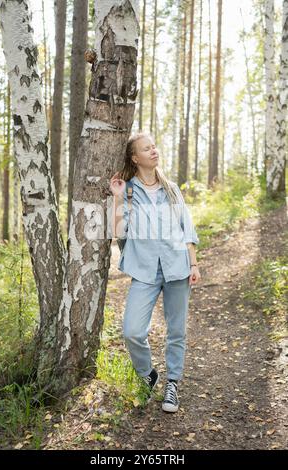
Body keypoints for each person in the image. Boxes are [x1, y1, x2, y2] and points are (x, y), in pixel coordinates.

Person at [109, 132, 201, 413]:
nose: (153, 151)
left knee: (176, 331)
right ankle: (148, 374)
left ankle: (172, 383)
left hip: (177, 266)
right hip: (145, 270)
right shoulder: (128, 191)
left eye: (154, 147)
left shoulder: (171, 188)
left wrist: (194, 263)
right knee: (132, 330)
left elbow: (187, 228)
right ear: (135, 158)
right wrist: (116, 198)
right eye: (146, 149)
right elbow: (116, 232)